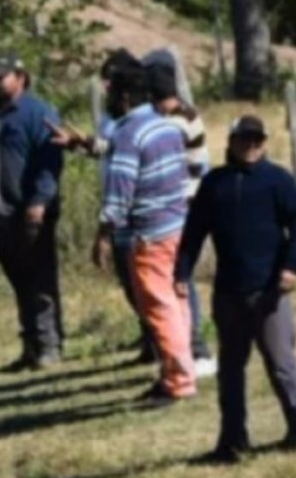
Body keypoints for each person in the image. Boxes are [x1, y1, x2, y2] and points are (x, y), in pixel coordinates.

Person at [176, 115, 296, 464]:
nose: (251, 146)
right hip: (229, 292)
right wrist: (182, 272)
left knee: (281, 362)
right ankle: (233, 442)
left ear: (265, 143)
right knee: (231, 369)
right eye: (245, 139)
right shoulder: (215, 184)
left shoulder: (277, 181)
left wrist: (291, 267)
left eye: (257, 140)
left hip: (270, 291)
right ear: (232, 142)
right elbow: (194, 232)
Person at [95, 62, 196, 405]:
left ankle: (178, 382)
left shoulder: (128, 134)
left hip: (149, 235)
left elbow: (119, 193)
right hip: (177, 226)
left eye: (110, 94)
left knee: (158, 307)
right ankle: (180, 372)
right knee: (177, 301)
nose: (107, 100)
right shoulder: (164, 128)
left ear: (124, 97)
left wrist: (104, 235)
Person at [51, 50, 158, 364]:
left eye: (110, 81)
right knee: (131, 284)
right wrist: (82, 143)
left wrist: (103, 232)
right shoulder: (117, 120)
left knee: (144, 284)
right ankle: (150, 339)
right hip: (122, 212)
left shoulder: (135, 120)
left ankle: (166, 347)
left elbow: (126, 156)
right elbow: (110, 149)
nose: (105, 87)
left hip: (134, 214)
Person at [0, 52, 66, 371]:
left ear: (20, 78)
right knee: (20, 280)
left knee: (40, 279)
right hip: (1, 211)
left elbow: (51, 160)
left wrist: (39, 201)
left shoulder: (38, 112)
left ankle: (50, 345)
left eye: (1, 75)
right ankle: (31, 346)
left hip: (32, 210)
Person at [145, 59, 217, 377]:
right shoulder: (180, 115)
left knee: (181, 278)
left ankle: (196, 348)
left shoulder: (176, 123)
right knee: (178, 278)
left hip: (184, 206)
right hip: (184, 204)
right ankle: (182, 345)